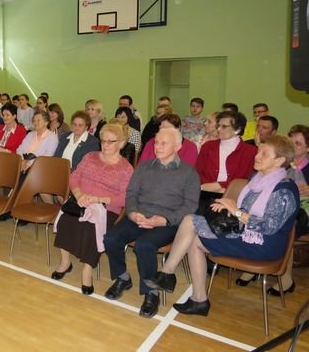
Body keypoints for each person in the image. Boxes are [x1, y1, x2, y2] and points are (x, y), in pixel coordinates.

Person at [146, 135, 299, 317]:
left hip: (263, 244)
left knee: (194, 239)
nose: (257, 156)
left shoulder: (285, 190)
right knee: (189, 220)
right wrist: (228, 206)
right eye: (258, 151)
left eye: (264, 154)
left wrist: (237, 212)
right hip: (242, 232)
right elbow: (247, 209)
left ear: (280, 160)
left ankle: (193, 295)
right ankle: (171, 277)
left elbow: (268, 227)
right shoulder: (258, 178)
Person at [103, 128, 200, 318]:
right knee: (111, 239)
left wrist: (164, 220)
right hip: (139, 216)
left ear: (177, 147)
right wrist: (133, 214)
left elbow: (190, 206)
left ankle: (151, 293)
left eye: (164, 143)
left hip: (167, 223)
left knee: (144, 245)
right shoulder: (144, 167)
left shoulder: (189, 173)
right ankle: (123, 278)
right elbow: (131, 193)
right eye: (156, 142)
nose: (158, 147)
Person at [52, 124, 134, 295]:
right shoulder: (90, 157)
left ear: (121, 143)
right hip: (81, 200)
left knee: (92, 228)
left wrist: (98, 199)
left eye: (110, 141)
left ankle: (87, 272)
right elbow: (74, 177)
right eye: (103, 141)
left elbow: (125, 197)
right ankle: (65, 263)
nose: (105, 145)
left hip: (106, 208)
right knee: (66, 219)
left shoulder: (126, 168)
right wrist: (78, 194)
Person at [266, 125, 309, 296]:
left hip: (304, 212)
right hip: (282, 206)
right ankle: (256, 266)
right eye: (291, 141)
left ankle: (286, 279)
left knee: (287, 223)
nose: (292, 145)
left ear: (308, 148)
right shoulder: (280, 162)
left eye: (297, 143)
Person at [196, 111, 256, 193]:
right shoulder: (207, 147)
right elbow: (197, 172)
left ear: (237, 129)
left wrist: (221, 185)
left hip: (234, 195)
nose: (218, 129)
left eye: (224, 126)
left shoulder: (251, 152)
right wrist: (204, 186)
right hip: (205, 191)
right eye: (218, 126)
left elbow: (248, 179)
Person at [16, 110, 58, 174]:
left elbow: (47, 156)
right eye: (34, 121)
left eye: (38, 120)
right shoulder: (30, 134)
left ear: (46, 122)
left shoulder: (52, 137)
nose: (35, 123)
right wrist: (22, 160)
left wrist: (29, 163)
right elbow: (20, 149)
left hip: (39, 169)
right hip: (22, 164)